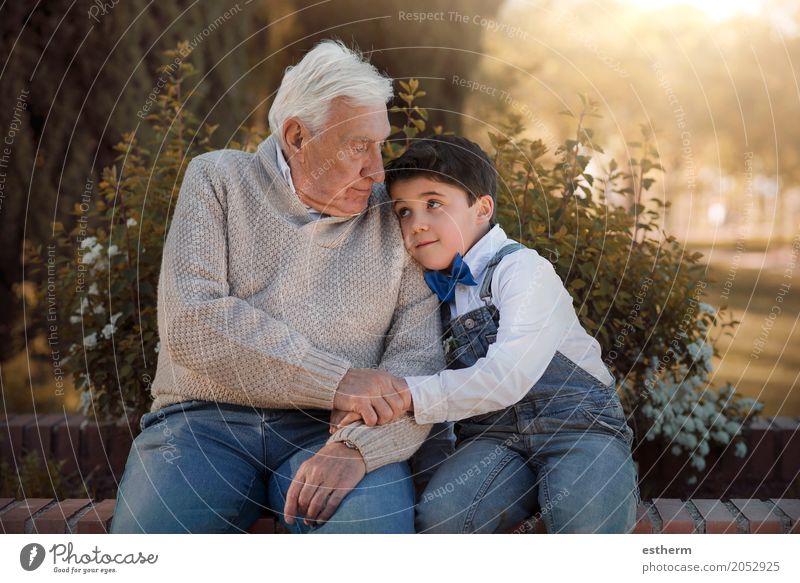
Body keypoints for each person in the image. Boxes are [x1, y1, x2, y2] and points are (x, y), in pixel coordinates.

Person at [110, 40, 446, 534]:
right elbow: (192, 320)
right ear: (296, 136)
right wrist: (335, 379)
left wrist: (358, 449)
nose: (378, 168)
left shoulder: (393, 215)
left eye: (380, 144)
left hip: (338, 431)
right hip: (203, 424)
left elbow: (418, 365)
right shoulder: (218, 180)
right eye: (358, 145)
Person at [357, 134, 639, 532]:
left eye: (433, 204)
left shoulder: (523, 270)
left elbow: (507, 377)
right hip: (492, 438)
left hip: (577, 425)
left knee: (589, 520)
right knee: (441, 516)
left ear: (482, 207)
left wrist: (406, 394)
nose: (416, 223)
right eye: (403, 211)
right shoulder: (427, 291)